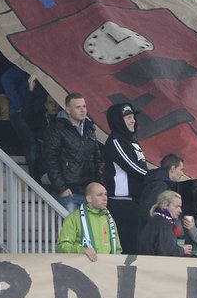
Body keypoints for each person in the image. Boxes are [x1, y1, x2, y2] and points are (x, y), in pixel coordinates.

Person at [44, 93, 103, 212]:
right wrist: (61, 188)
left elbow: (97, 160)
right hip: (69, 192)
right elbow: (50, 160)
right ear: (68, 109)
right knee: (71, 229)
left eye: (84, 106)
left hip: (89, 192)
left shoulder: (90, 129)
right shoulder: (57, 129)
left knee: (88, 230)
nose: (83, 110)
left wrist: (98, 186)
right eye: (78, 107)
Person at [102, 103, 147, 254]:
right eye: (128, 117)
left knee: (137, 249)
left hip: (135, 203)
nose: (133, 120)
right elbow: (133, 168)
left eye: (133, 117)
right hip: (121, 205)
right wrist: (155, 176)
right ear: (118, 120)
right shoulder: (116, 141)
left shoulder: (133, 141)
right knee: (127, 250)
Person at [56, 182, 122, 260]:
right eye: (100, 195)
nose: (105, 198)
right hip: (83, 268)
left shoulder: (109, 218)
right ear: (89, 199)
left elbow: (117, 249)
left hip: (106, 268)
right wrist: (82, 250)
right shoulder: (73, 218)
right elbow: (61, 246)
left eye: (105, 194)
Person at [138, 154, 186, 226]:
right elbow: (149, 210)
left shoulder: (159, 182)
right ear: (173, 168)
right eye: (181, 169)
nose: (182, 174)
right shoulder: (160, 185)